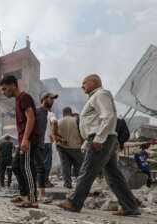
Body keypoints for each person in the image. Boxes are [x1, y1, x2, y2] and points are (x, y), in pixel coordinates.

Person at [57, 74, 140, 216]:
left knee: (87, 170)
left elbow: (108, 116)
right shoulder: (96, 97)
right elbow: (94, 123)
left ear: (94, 82)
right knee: (113, 175)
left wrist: (99, 138)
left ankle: (74, 203)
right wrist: (86, 143)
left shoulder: (100, 95)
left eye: (84, 83)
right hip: (104, 138)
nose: (82, 86)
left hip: (102, 139)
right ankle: (130, 206)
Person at [0, 75, 40, 208]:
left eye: (5, 89)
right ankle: (23, 194)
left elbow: (31, 118)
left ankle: (33, 199)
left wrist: (25, 139)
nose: (3, 92)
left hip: (28, 139)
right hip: (23, 139)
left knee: (27, 167)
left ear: (13, 85)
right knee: (16, 165)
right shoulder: (18, 100)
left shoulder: (24, 97)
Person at [53, 106, 84, 189]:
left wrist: (61, 139)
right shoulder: (77, 120)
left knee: (65, 166)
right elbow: (83, 134)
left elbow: (55, 136)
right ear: (71, 112)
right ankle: (80, 184)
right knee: (78, 166)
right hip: (76, 147)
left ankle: (67, 184)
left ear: (63, 114)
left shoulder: (58, 122)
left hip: (63, 147)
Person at [36, 92, 57, 201]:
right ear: (44, 99)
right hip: (46, 142)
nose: (53, 101)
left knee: (39, 165)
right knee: (45, 165)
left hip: (38, 142)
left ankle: (39, 186)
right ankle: (43, 184)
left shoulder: (37, 111)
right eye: (51, 98)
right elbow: (54, 123)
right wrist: (54, 134)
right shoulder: (50, 114)